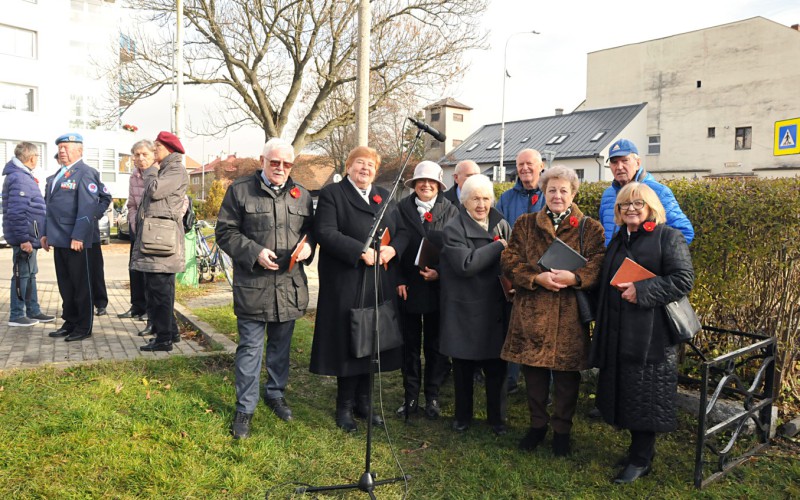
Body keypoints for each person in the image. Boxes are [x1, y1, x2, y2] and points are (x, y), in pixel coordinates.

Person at [590, 182, 694, 484]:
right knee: (628, 391)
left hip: (651, 334)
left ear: (651, 207)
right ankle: (639, 451)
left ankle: (641, 458)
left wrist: (642, 289)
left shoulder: (668, 236)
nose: (631, 209)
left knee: (646, 395)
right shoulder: (620, 239)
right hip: (619, 329)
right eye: (624, 205)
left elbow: (683, 279)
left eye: (638, 204)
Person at [500, 165, 606, 455]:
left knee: (566, 377)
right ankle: (537, 426)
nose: (557, 195)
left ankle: (562, 431)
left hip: (569, 314)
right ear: (543, 192)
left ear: (573, 193)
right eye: (551, 190)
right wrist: (535, 278)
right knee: (533, 373)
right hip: (532, 310)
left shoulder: (591, 228)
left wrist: (577, 277)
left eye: (563, 190)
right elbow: (509, 259)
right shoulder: (525, 224)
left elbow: (598, 263)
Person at [216, 138, 315, 439]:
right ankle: (245, 408)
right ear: (263, 161)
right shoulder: (240, 190)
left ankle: (275, 394)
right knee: (250, 350)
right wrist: (254, 251)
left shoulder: (302, 196)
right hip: (254, 285)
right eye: (275, 162)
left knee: (280, 348)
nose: (281, 168)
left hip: (289, 285)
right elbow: (225, 232)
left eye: (287, 164)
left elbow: (311, 233)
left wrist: (309, 247)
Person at [310, 146, 402, 432]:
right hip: (346, 280)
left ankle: (365, 403)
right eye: (360, 163)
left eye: (371, 165)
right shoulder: (332, 194)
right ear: (348, 166)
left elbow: (402, 231)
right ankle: (345, 406)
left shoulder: (384, 197)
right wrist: (359, 251)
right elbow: (325, 232)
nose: (365, 169)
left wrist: (393, 249)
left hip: (376, 280)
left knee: (372, 341)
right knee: (349, 343)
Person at [439, 174, 511, 435]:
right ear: (464, 201)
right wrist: (497, 247)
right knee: (463, 368)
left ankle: (497, 419)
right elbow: (465, 264)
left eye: (486, 198)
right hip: (465, 308)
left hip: (495, 307)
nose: (482, 204)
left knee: (496, 368)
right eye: (475, 199)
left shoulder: (501, 223)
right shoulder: (453, 228)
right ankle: (463, 417)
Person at [393, 161, 459, 420]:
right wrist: (398, 279)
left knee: (435, 346)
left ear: (439, 186)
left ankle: (432, 396)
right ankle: (410, 397)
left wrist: (439, 273)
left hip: (436, 289)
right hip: (407, 289)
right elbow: (394, 245)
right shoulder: (400, 209)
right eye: (422, 181)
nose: (426, 185)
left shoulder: (451, 211)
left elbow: (455, 249)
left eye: (432, 182)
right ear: (414, 184)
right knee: (409, 346)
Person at [41, 133, 103, 342]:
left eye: (66, 147)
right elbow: (48, 208)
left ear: (80, 150)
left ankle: (84, 326)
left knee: (81, 285)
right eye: (60, 147)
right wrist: (45, 234)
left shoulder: (85, 173)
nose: (62, 150)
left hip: (75, 240)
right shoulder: (58, 174)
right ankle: (70, 321)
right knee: (66, 285)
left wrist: (79, 235)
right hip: (58, 238)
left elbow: (87, 207)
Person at [131, 131, 189, 352]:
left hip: (161, 240)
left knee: (160, 291)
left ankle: (163, 339)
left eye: (157, 147)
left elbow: (154, 191)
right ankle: (170, 333)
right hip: (155, 238)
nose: (154, 150)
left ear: (169, 149)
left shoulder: (175, 170)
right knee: (157, 289)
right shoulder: (166, 169)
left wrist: (150, 170)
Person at [495, 148, 547, 393]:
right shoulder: (506, 198)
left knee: (543, 329)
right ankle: (510, 380)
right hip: (515, 271)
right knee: (514, 326)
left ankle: (544, 384)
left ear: (541, 166)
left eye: (529, 164)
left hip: (545, 272)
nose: (524, 169)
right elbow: (499, 233)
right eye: (520, 165)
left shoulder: (551, 193)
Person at [599, 139, 694, 246]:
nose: (619, 167)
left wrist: (655, 256)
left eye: (625, 160)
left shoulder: (658, 192)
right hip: (615, 262)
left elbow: (685, 232)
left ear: (638, 163)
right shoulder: (608, 195)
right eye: (614, 162)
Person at [2, 142, 54, 327]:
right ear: (32, 158)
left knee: (30, 274)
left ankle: (33, 311)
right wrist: (24, 239)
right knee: (21, 275)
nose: (38, 159)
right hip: (25, 238)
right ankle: (17, 315)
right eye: (37, 156)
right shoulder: (20, 178)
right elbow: (16, 212)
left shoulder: (22, 176)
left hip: (31, 236)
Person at [118, 140, 153, 325]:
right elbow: (131, 203)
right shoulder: (133, 176)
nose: (140, 158)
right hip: (137, 228)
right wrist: (133, 223)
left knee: (149, 270)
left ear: (153, 155)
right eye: (137, 154)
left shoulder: (159, 173)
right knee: (134, 268)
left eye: (144, 154)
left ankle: (149, 308)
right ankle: (137, 306)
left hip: (154, 230)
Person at [89, 182, 112, 316]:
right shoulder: (58, 177)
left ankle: (100, 303)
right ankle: (80, 304)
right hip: (68, 235)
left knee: (95, 270)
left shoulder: (90, 175)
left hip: (91, 235)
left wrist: (95, 214)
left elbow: (106, 197)